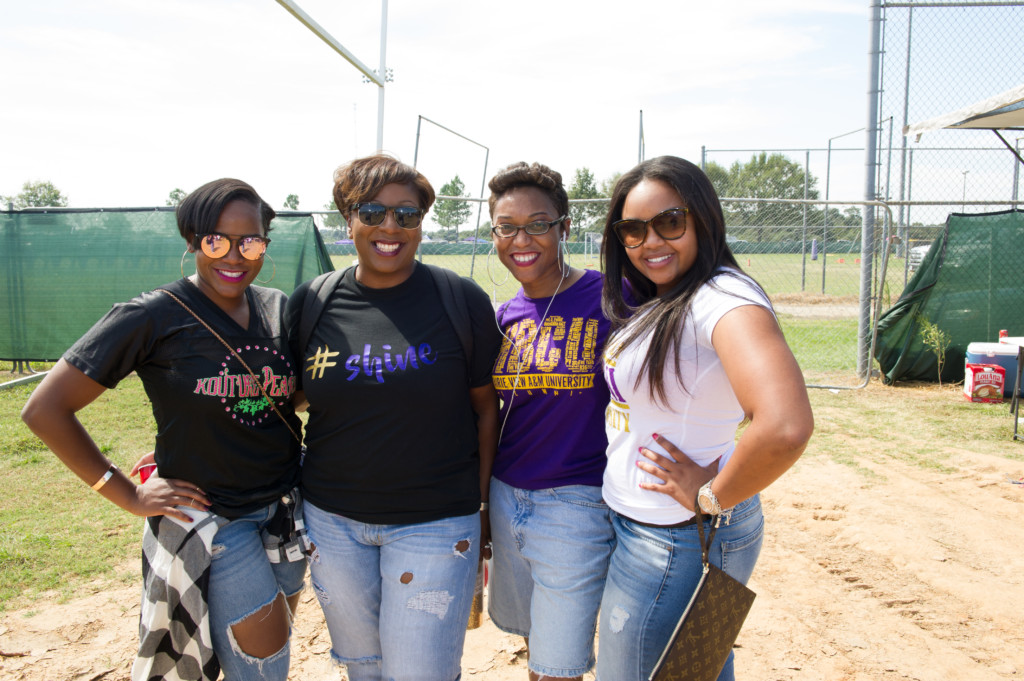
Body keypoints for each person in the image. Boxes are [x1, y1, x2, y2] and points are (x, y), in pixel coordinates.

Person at [21, 178, 307, 681]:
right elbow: (45, 409)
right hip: (215, 520)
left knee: (263, 640)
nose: (235, 255)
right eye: (216, 240)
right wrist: (126, 493)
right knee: (264, 662)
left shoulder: (276, 308)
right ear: (193, 242)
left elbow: (288, 394)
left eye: (251, 241)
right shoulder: (153, 315)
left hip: (285, 510)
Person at [595, 156, 814, 681]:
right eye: (632, 229)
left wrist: (710, 496)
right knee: (697, 669)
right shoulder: (673, 296)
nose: (651, 242)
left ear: (704, 220)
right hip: (667, 531)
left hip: (674, 538)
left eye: (669, 222)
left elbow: (785, 426)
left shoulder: (721, 297)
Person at [284, 154, 502, 681]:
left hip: (434, 523)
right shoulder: (313, 301)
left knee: (419, 673)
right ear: (348, 219)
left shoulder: (459, 299)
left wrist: (484, 508)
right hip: (332, 524)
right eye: (373, 211)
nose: (390, 227)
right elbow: (287, 401)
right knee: (362, 668)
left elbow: (486, 411)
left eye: (407, 215)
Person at [484, 161, 615, 681]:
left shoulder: (612, 298)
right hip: (507, 494)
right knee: (536, 639)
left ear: (564, 227)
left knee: (558, 666)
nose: (522, 239)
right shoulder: (504, 315)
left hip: (577, 502)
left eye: (538, 224)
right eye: (507, 226)